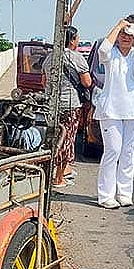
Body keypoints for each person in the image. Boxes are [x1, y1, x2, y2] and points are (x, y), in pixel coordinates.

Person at [93, 14, 134, 209]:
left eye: (129, 34)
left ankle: (125, 193)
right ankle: (106, 195)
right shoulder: (110, 55)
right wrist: (119, 25)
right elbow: (103, 49)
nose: (126, 37)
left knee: (128, 152)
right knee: (113, 151)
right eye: (123, 34)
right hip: (111, 110)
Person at [42, 26, 93, 188]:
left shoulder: (49, 58)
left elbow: (44, 82)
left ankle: (62, 171)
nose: (78, 41)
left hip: (51, 105)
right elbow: (87, 82)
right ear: (72, 40)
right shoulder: (76, 58)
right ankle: (58, 178)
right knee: (67, 140)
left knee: (53, 138)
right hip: (70, 104)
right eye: (77, 38)